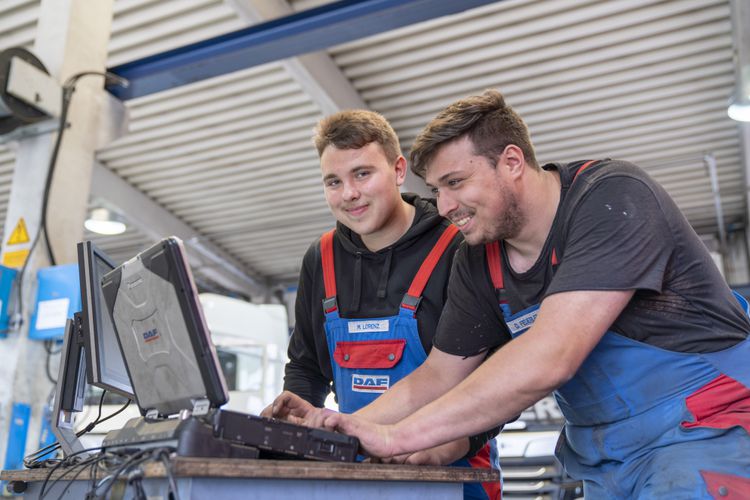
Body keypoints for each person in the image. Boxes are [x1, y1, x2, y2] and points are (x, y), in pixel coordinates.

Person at [278, 91, 750, 499]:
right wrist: (345, 429)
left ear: (511, 161)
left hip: (708, 434)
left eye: (456, 183)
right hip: (607, 461)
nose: (444, 207)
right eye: (437, 189)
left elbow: (551, 357)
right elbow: (437, 376)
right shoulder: (477, 259)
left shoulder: (610, 198)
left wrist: (398, 436)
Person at [260, 109, 501, 499]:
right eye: (333, 182)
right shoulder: (320, 259)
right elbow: (306, 365)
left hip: (451, 472)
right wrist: (300, 421)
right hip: (355, 473)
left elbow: (496, 376)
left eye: (362, 174)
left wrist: (455, 443)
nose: (349, 193)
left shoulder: (457, 248)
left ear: (399, 169)